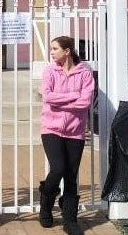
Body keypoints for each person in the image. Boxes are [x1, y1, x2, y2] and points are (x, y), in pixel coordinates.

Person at [39, 36, 95, 235]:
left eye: (55, 48)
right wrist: (73, 95)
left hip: (75, 131)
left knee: (71, 175)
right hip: (51, 129)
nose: (52, 52)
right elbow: (48, 97)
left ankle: (70, 220)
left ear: (67, 51)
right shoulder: (49, 72)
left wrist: (62, 100)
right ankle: (46, 203)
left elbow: (85, 103)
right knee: (58, 169)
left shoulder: (85, 74)